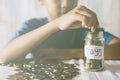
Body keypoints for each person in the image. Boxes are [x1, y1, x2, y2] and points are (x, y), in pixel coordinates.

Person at [0, 0, 120, 63]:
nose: (66, 4)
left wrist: (69, 53)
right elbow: (4, 57)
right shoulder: (33, 25)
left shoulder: (84, 27)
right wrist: (56, 24)